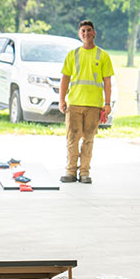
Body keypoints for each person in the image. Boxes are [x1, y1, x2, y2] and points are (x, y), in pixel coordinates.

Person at [58, 20, 114, 184]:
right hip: (74, 104)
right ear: (79, 33)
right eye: (83, 31)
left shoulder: (103, 56)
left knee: (88, 139)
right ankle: (70, 172)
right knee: (72, 139)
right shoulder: (72, 55)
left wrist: (107, 103)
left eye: (89, 30)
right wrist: (62, 100)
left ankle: (84, 173)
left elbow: (107, 81)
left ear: (94, 33)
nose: (86, 33)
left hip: (94, 105)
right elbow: (65, 79)